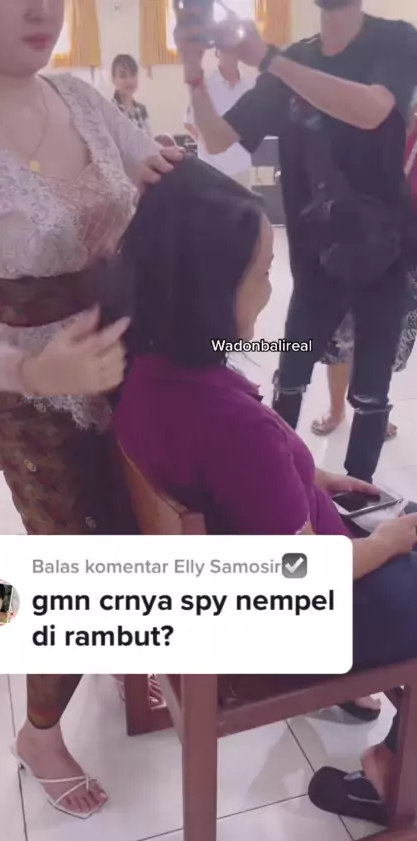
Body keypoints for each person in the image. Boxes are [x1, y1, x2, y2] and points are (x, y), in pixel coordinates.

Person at [114, 156, 417, 826]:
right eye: (260, 272)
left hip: (234, 588)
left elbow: (230, 473)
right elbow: (304, 570)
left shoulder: (145, 370)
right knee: (405, 531)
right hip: (296, 617)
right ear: (207, 289)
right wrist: (391, 541)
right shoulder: (230, 422)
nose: (271, 285)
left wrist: (311, 476)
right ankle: (392, 771)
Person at [0, 0, 182, 820]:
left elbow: (154, 169)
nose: (44, 8)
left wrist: (165, 167)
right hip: (31, 397)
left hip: (130, 362)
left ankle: (131, 653)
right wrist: (32, 367)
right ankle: (38, 733)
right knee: (74, 569)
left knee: (146, 529)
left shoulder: (80, 97)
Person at [175, 0, 417, 483]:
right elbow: (217, 138)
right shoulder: (293, 60)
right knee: (290, 379)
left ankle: (357, 497)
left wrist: (269, 58)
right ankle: (277, 488)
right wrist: (192, 70)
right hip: (313, 265)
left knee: (371, 395)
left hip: (384, 258)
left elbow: (372, 110)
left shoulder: (395, 38)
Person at [312, 103, 417, 440]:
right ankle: (337, 408)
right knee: (342, 332)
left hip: (408, 247)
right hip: (358, 235)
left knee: (387, 336)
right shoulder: (370, 115)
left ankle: (372, 409)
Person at [184, 47, 253, 187]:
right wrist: (207, 143)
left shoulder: (249, 86)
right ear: (217, 53)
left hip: (242, 167)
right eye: (225, 49)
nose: (230, 54)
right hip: (212, 170)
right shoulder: (205, 85)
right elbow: (189, 123)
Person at [111, 54, 152, 135]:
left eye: (133, 75)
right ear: (114, 80)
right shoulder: (110, 109)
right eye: (123, 76)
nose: (129, 80)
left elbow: (148, 138)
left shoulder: (142, 109)